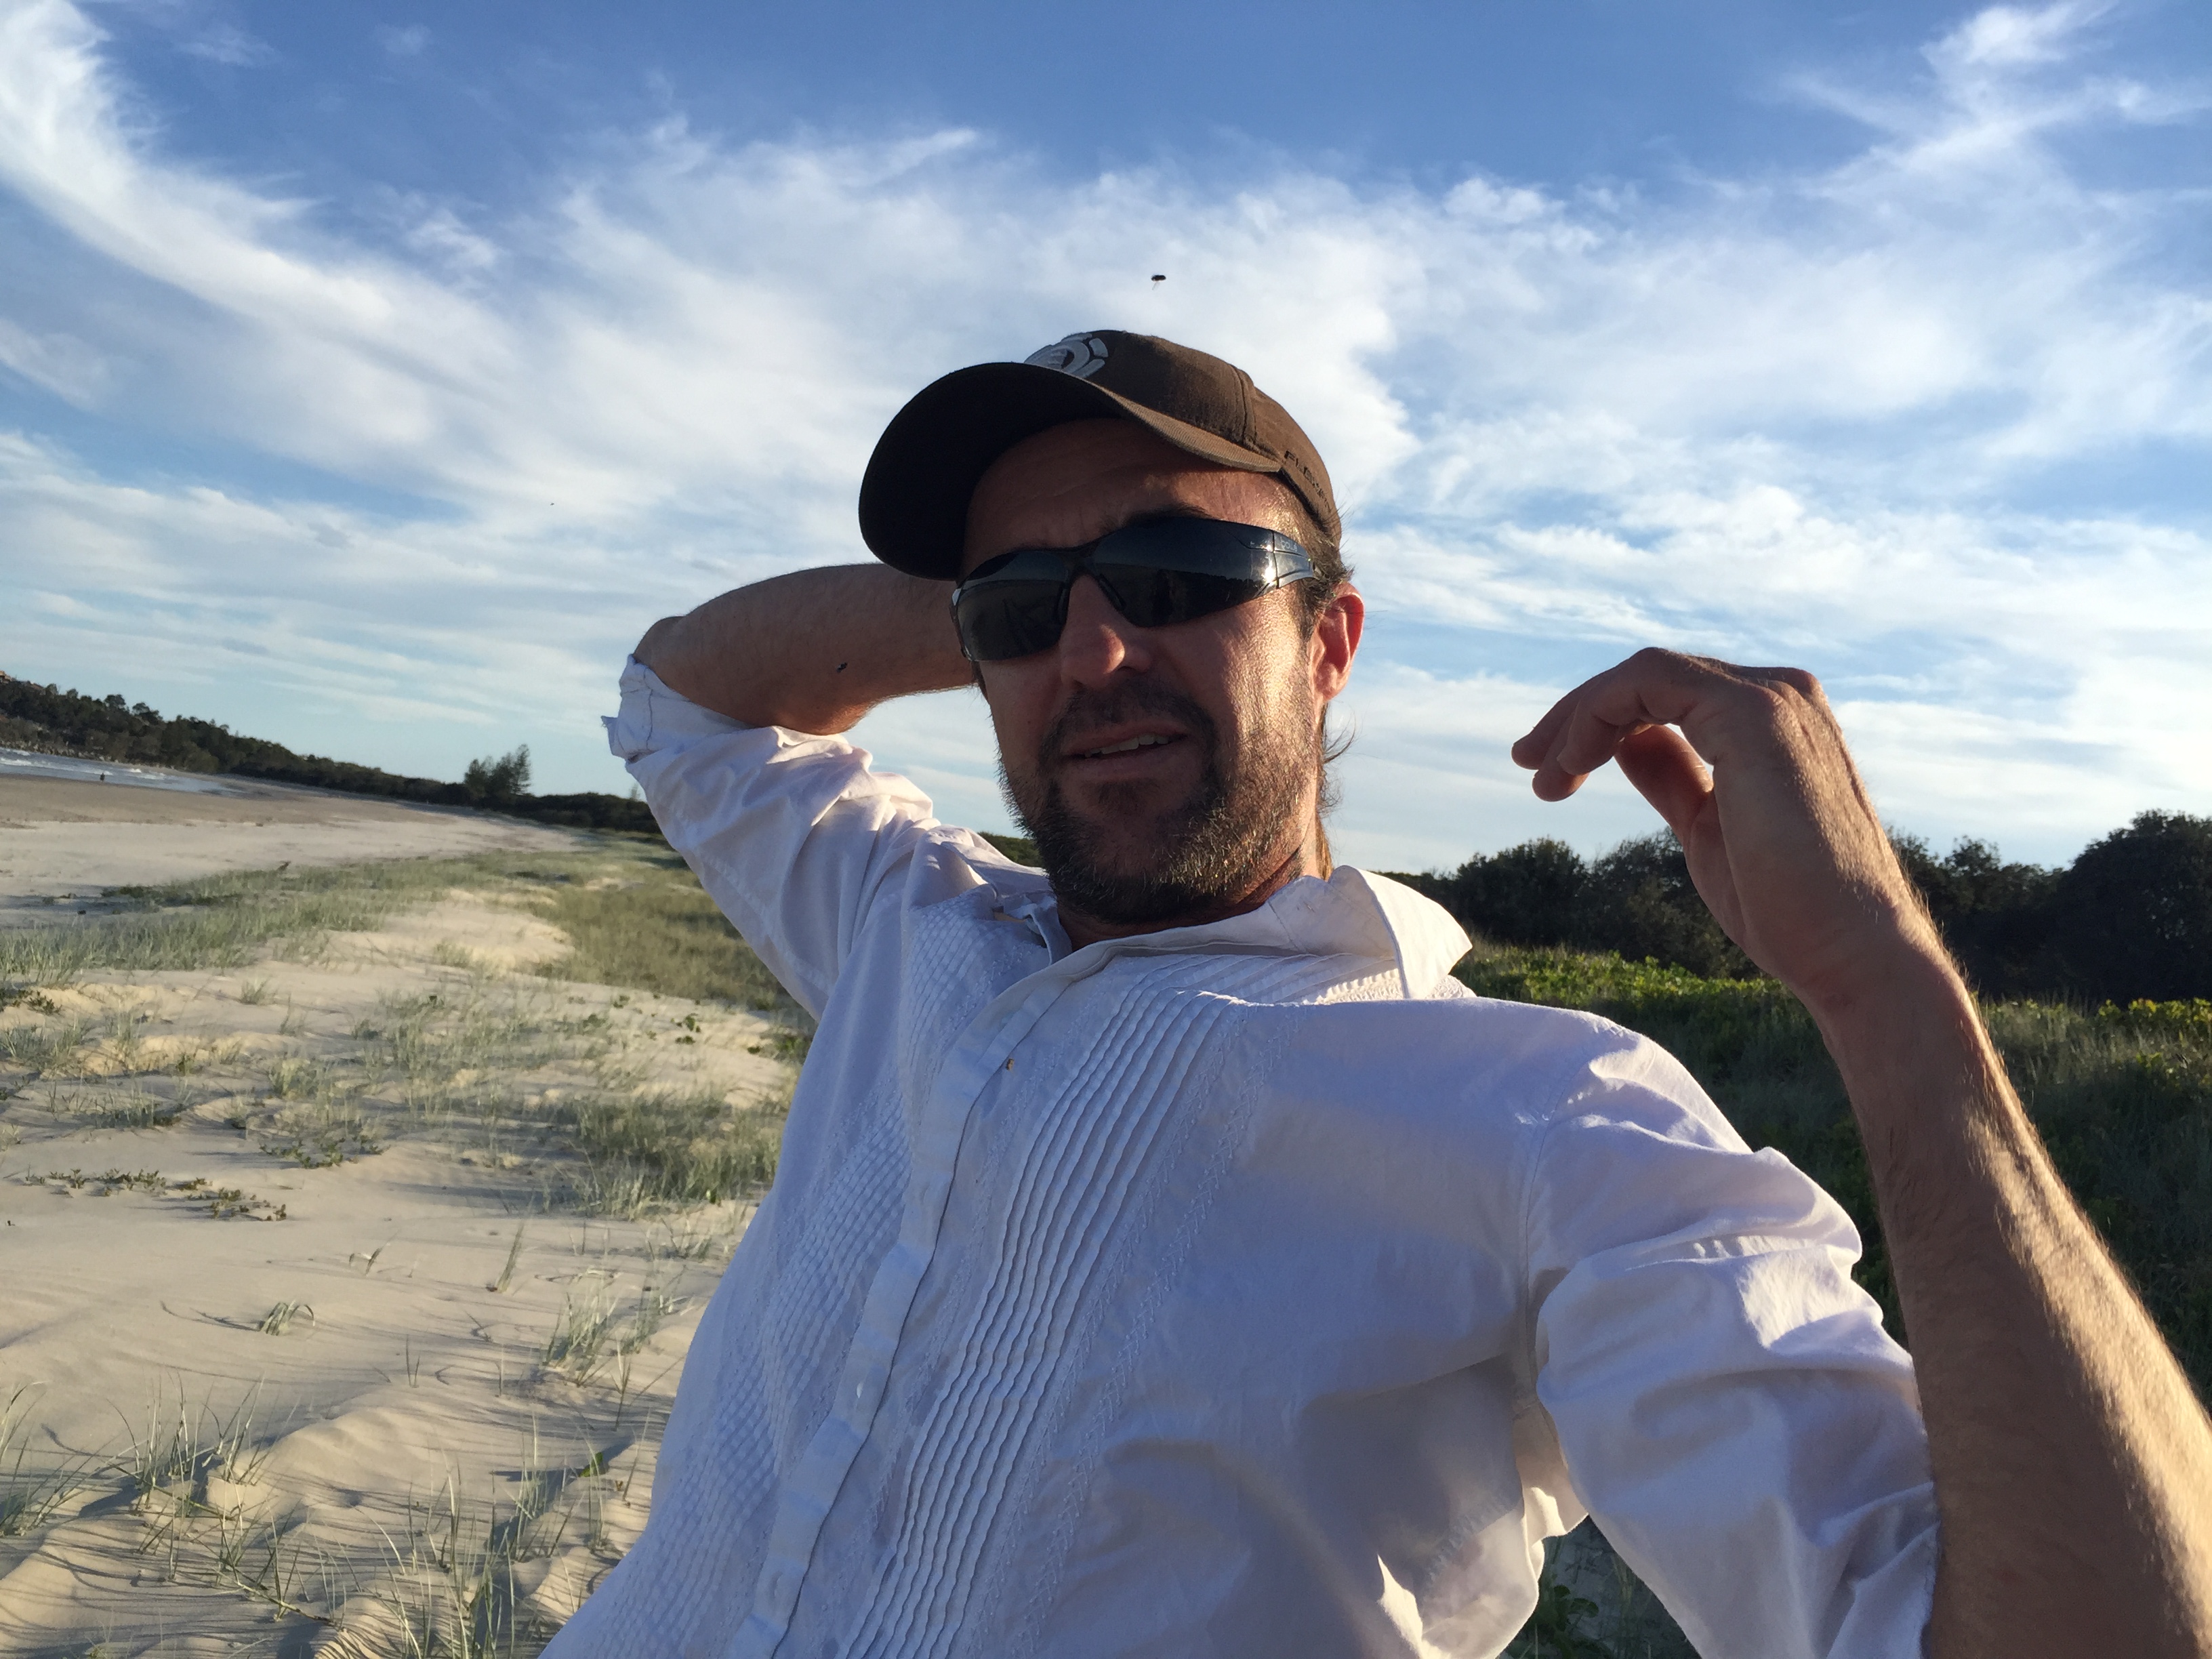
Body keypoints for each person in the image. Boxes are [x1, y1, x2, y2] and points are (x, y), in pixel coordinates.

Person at [546, 331, 2212, 1658]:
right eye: (1025, 617)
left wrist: (1885, 985)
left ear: (1331, 642)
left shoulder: (1546, 1121)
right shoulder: (914, 924)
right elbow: (687, 695)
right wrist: (1041, 593)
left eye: (1182, 576)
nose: (1098, 655)